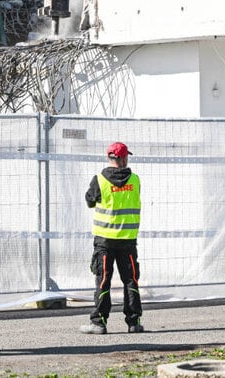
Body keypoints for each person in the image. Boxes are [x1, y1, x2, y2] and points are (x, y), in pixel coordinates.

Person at [80, 141, 144, 334]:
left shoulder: (99, 180)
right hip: (128, 240)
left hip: (104, 241)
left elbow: (90, 201)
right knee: (131, 280)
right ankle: (134, 322)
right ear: (124, 158)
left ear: (109, 158)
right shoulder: (135, 180)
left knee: (103, 280)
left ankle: (99, 323)